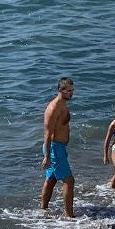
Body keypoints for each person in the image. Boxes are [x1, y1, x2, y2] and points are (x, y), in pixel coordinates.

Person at [40, 76, 75, 217]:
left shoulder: (63, 104)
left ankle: (43, 210)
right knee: (69, 180)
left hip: (59, 148)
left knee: (51, 179)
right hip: (54, 148)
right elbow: (47, 134)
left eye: (73, 90)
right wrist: (47, 156)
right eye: (69, 91)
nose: (71, 93)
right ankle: (69, 215)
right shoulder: (53, 108)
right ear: (60, 90)